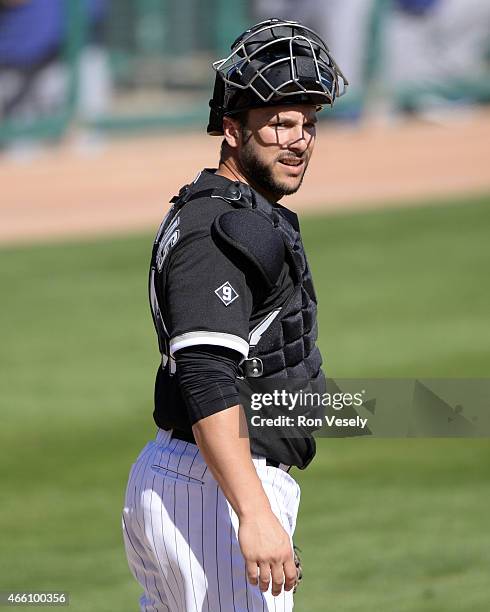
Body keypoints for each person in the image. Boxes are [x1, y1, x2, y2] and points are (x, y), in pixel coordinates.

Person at [121, 18, 347, 612]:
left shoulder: (235, 212)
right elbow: (203, 373)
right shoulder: (218, 231)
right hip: (214, 487)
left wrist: (437, 406)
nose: (299, 140)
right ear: (231, 128)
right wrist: (254, 513)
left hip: (199, 479)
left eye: (309, 125)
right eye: (280, 123)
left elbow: (274, 369)